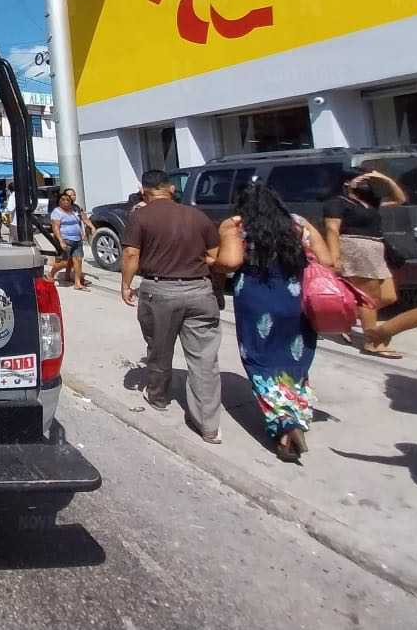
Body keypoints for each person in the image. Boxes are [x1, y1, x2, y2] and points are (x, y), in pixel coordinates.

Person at [214, 183, 333, 462]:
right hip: (295, 300)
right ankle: (298, 412)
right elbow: (328, 260)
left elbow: (230, 261)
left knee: (261, 363)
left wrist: (214, 261)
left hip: (256, 302)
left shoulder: (237, 225)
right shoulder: (299, 224)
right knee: (295, 361)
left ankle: (284, 426)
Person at [120, 169, 223, 443]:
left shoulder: (140, 216)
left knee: (159, 349)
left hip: (159, 290)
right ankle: (209, 425)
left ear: (144, 192)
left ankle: (158, 397)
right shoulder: (197, 215)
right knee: (204, 360)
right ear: (171, 189)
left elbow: (131, 253)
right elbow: (214, 256)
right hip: (200, 290)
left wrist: (126, 285)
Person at [324, 169, 407, 358]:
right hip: (355, 248)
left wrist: (385, 178)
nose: (365, 183)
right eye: (361, 180)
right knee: (368, 298)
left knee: (388, 296)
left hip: (376, 249)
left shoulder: (370, 202)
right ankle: (372, 342)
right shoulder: (337, 203)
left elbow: (400, 199)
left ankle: (344, 318)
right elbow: (332, 229)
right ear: (346, 183)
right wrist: (335, 258)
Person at [49, 191, 91, 290]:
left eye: (67, 200)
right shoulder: (57, 212)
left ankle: (77, 283)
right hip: (66, 239)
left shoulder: (74, 211)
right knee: (64, 262)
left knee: (78, 260)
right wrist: (61, 240)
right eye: (62, 200)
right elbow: (55, 228)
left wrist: (87, 230)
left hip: (77, 240)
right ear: (59, 201)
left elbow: (81, 221)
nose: (65, 202)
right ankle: (51, 274)